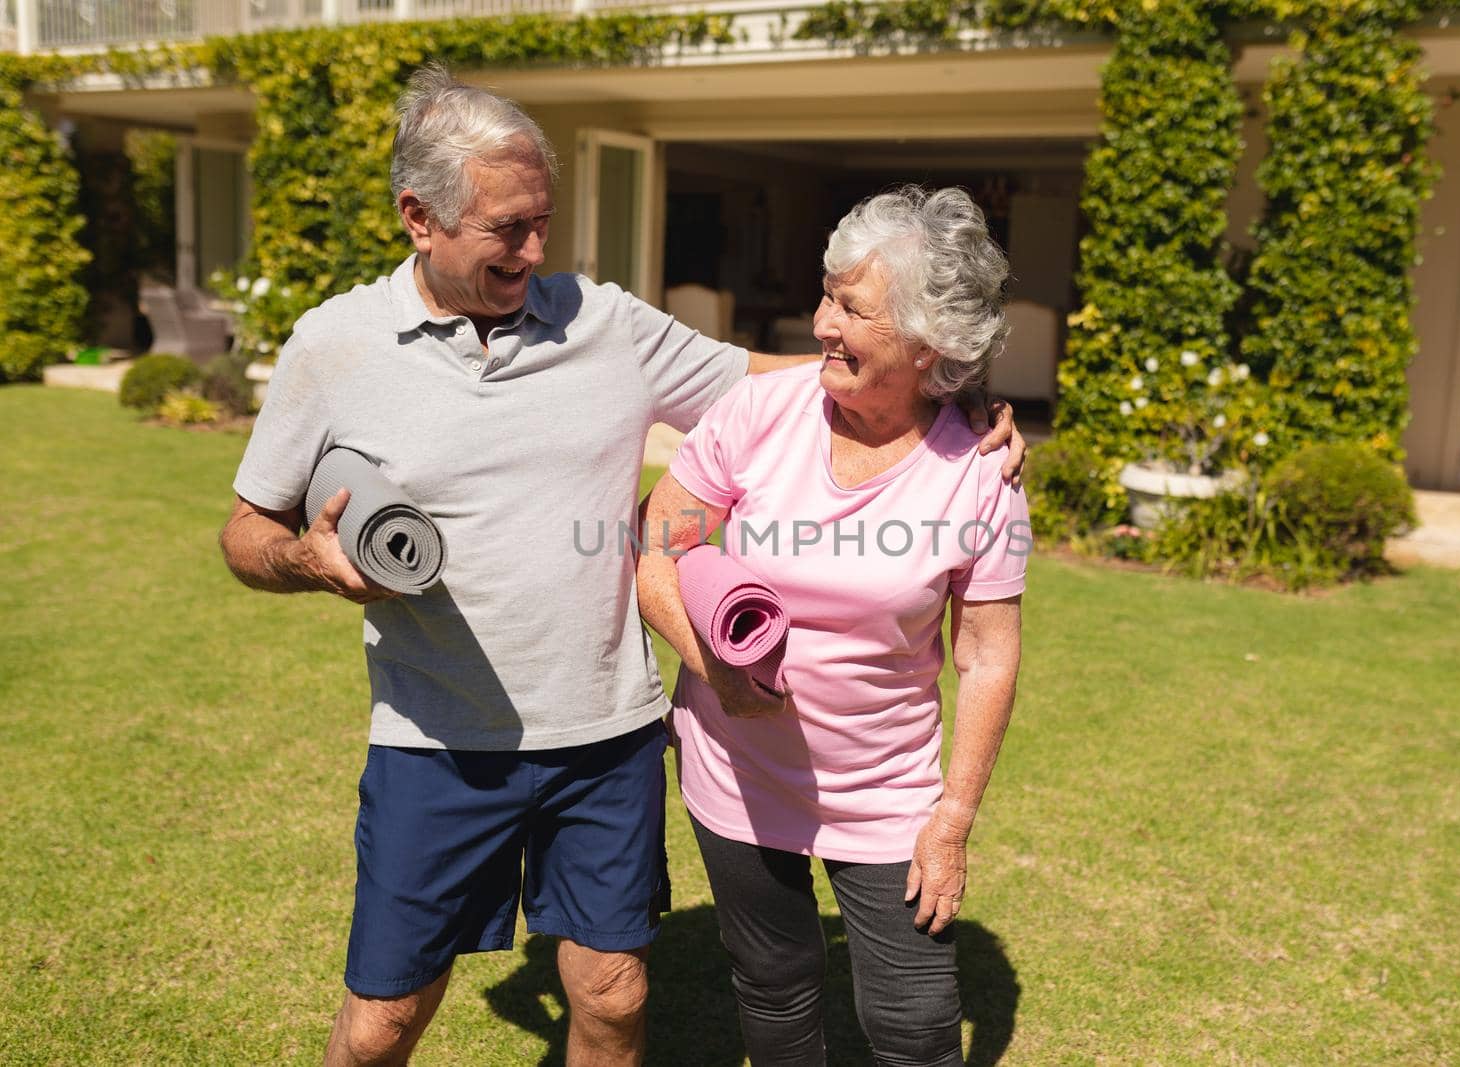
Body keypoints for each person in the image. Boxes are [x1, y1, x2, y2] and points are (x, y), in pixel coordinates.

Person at [216, 67, 1026, 1067]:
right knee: (384, 1017)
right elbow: (245, 532)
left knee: (613, 995)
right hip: (436, 738)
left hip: (607, 741)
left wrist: (954, 392)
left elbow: (769, 375)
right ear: (417, 217)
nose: (535, 251)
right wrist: (306, 556)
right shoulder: (335, 346)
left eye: (542, 222)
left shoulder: (604, 324)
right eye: (507, 227)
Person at [637, 186, 1029, 1067]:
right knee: (773, 982)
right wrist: (716, 667)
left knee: (916, 1021)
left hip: (889, 788)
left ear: (930, 346)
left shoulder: (980, 472)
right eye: (826, 294)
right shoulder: (759, 414)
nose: (821, 323)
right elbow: (659, 552)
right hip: (735, 768)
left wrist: (953, 816)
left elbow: (987, 653)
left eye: (851, 308)